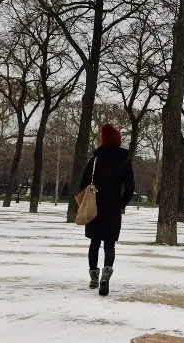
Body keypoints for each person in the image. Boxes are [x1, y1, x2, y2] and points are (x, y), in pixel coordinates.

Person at [79, 123, 135, 296]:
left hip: (95, 207)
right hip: (113, 208)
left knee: (94, 244)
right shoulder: (124, 162)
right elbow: (130, 188)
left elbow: (82, 184)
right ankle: (106, 275)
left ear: (103, 139)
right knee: (109, 244)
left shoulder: (95, 160)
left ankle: (94, 277)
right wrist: (121, 203)